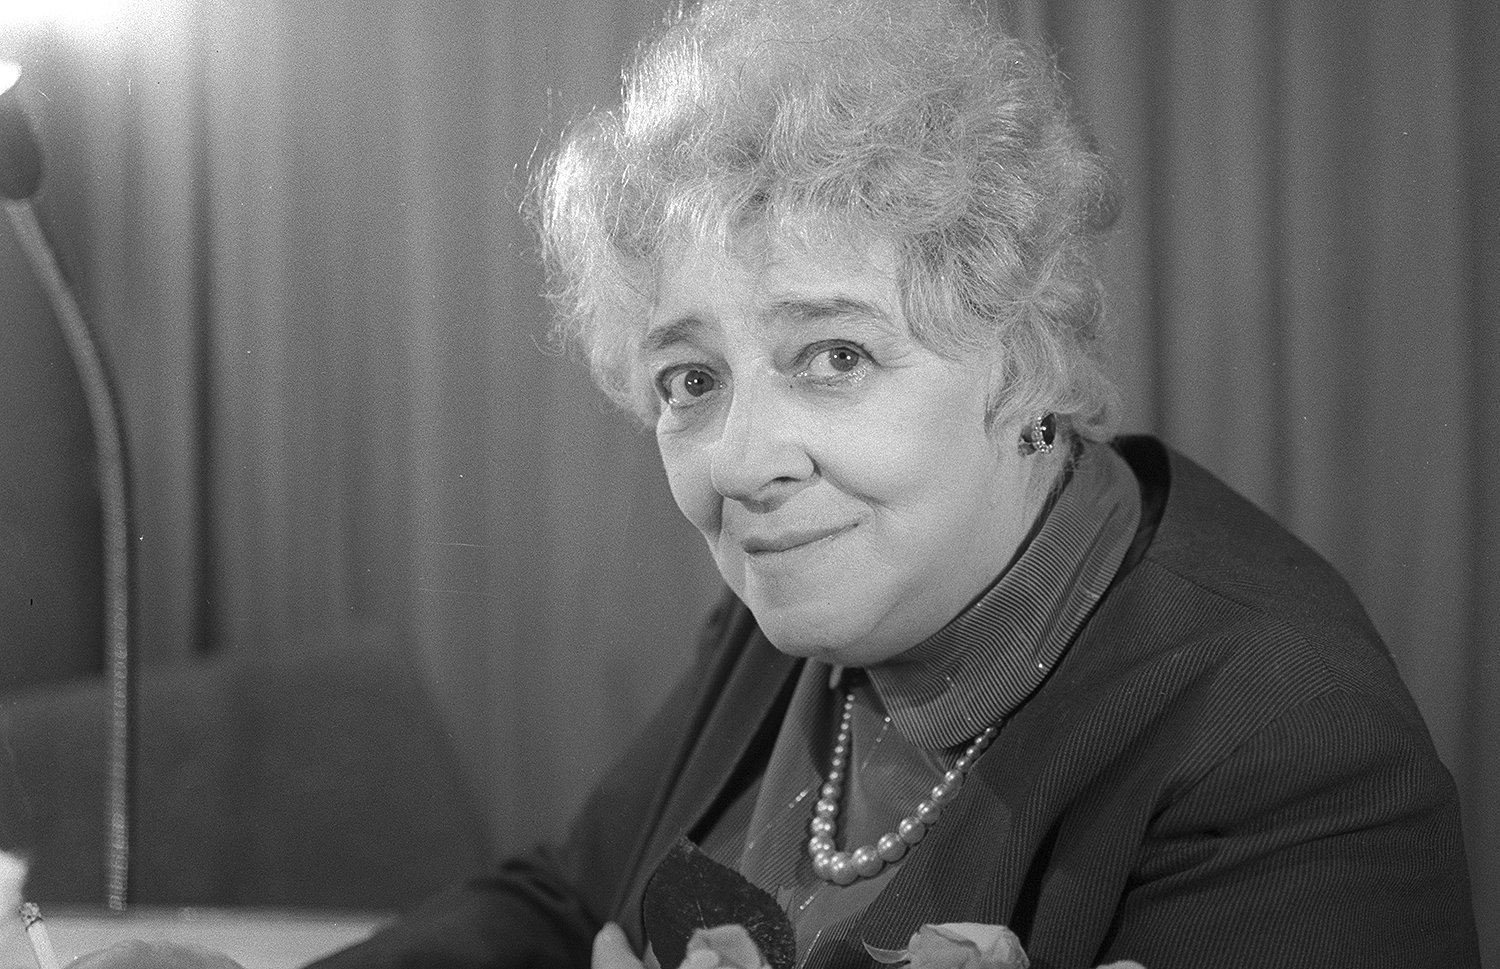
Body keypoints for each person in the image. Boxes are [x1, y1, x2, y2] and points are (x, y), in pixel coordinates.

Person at [302, 0, 1479, 967]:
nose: (741, 465)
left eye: (834, 356)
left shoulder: (1288, 742)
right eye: (690, 380)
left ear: (1021, 357)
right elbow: (573, 902)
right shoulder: (797, 598)